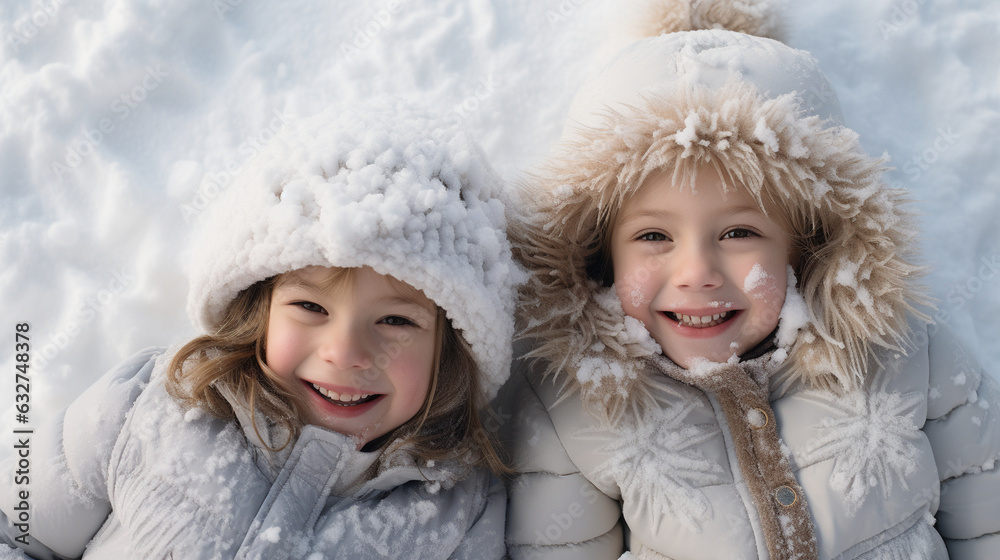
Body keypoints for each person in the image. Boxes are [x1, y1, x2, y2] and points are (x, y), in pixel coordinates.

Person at [500, 2, 1000, 559]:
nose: (696, 273)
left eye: (739, 232)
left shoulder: (904, 352)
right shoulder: (574, 405)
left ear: (808, 244)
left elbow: (987, 518)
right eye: (653, 237)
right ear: (596, 254)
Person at [0, 100, 524, 559]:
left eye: (395, 320)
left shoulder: (455, 516)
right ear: (258, 307)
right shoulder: (153, 402)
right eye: (311, 307)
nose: (344, 352)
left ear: (453, 348)